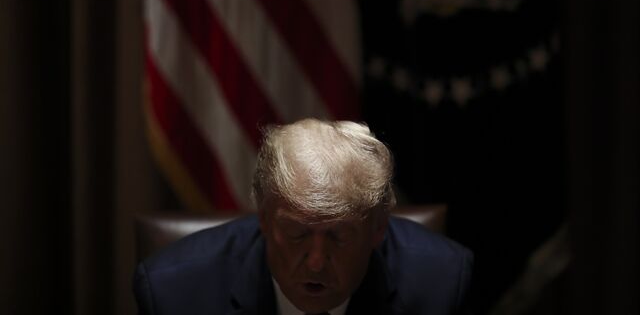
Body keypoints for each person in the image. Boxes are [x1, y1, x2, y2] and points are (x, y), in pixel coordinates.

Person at [134, 118, 473, 314]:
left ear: (378, 228)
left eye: (338, 236)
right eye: (297, 234)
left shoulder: (442, 285)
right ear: (264, 219)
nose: (315, 262)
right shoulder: (174, 293)